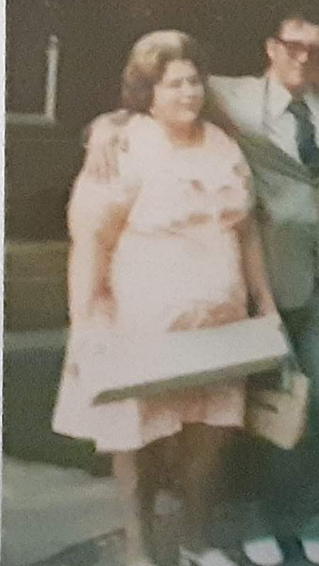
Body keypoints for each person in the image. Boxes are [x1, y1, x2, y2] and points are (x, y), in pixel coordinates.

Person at [83, 10, 319, 566]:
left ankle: (310, 520)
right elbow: (159, 88)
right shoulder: (232, 96)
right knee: (257, 411)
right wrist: (107, 124)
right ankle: (255, 522)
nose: (303, 57)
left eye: (315, 49)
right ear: (271, 47)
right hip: (264, 281)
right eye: (292, 46)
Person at [53, 30, 278, 566]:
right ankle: (140, 551)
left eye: (194, 81)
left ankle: (195, 542)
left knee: (212, 431)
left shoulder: (223, 145)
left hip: (219, 321)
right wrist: (84, 321)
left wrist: (265, 303)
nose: (188, 93)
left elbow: (247, 231)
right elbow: (91, 240)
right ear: (147, 92)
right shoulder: (124, 145)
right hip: (143, 321)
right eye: (174, 84)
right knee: (139, 436)